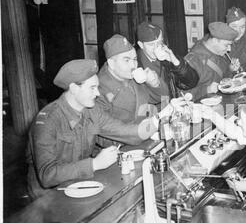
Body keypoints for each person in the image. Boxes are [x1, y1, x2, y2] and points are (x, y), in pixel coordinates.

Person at [26, 59, 184, 199]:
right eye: (92, 88)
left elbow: (124, 131)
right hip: (48, 197)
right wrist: (94, 164)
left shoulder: (91, 110)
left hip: (80, 184)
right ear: (74, 88)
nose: (97, 94)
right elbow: (47, 175)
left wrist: (162, 115)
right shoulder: (47, 120)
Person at [137, 21, 199, 101]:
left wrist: (175, 62)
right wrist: (155, 84)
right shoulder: (137, 66)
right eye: (151, 44)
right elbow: (153, 100)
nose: (156, 48)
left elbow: (191, 83)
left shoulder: (166, 57)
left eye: (159, 42)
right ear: (141, 45)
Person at [184, 22, 238, 100]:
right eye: (226, 45)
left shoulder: (219, 53)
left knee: (242, 106)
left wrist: (230, 69)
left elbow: (223, 77)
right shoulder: (193, 60)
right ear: (215, 40)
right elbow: (183, 95)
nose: (229, 49)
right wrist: (207, 89)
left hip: (222, 101)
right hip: (202, 108)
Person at [226, 6, 246, 72]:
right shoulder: (220, 45)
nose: (238, 31)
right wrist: (230, 70)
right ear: (227, 26)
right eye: (234, 26)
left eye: (242, 27)